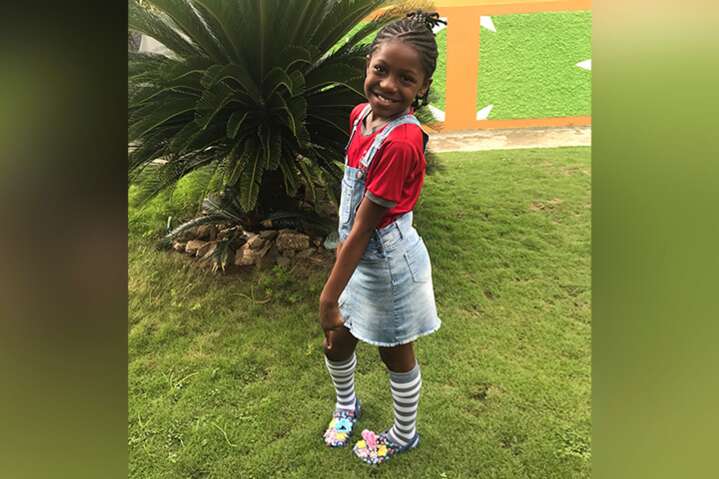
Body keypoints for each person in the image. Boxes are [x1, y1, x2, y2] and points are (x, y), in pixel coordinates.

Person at [319, 10, 446, 465]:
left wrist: (328, 296)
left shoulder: (401, 142)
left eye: (406, 79)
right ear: (367, 65)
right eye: (381, 70)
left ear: (422, 87)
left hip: (389, 264)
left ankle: (404, 433)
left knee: (395, 351)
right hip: (356, 256)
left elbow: (364, 225)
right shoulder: (360, 117)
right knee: (338, 339)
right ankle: (347, 405)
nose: (389, 85)